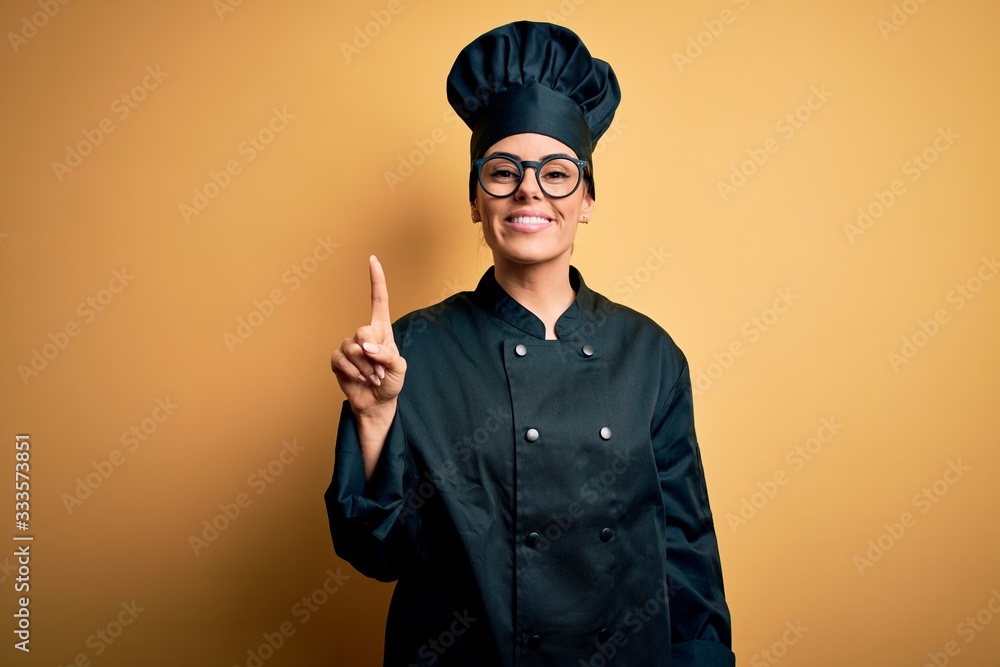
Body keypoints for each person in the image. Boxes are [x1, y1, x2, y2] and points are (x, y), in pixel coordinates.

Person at [326, 21, 734, 666]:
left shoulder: (650, 355)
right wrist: (374, 421)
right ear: (475, 201)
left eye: (557, 172)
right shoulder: (413, 351)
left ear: (588, 198)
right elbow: (381, 555)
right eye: (503, 171)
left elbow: (685, 547)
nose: (529, 189)